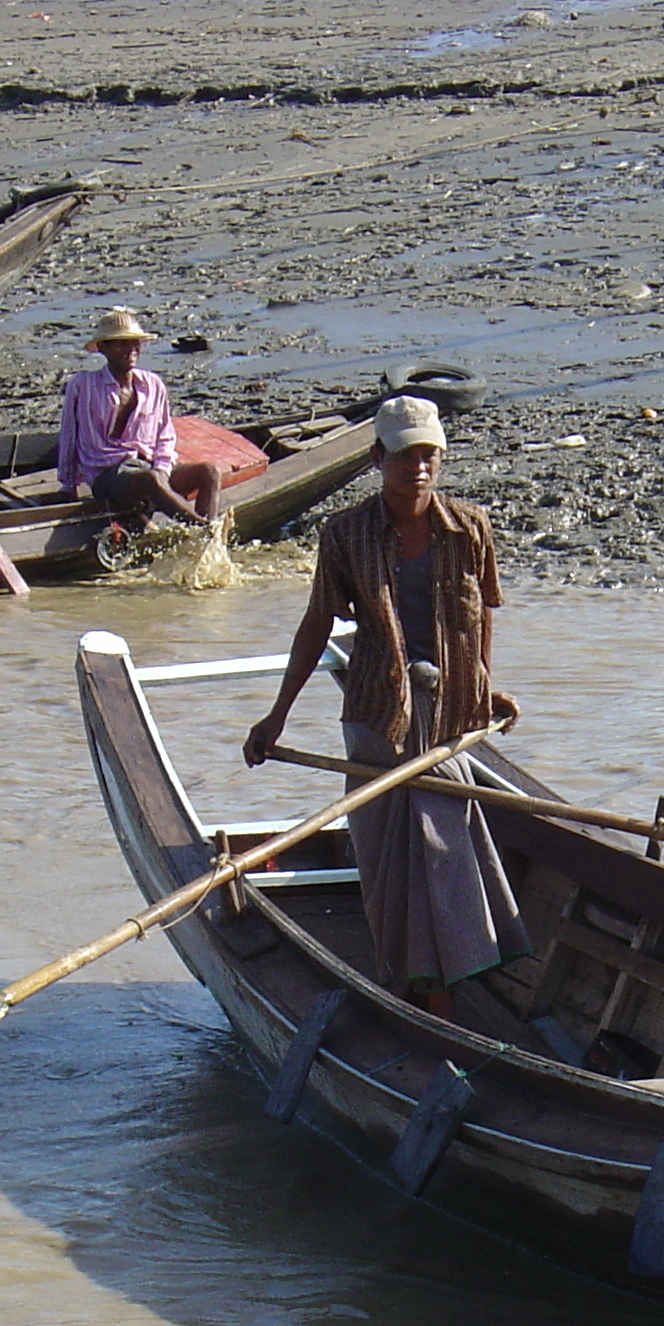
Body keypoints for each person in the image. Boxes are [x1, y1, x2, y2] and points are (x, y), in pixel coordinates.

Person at [242, 394, 527, 1016]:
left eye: (429, 455)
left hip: (449, 715)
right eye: (405, 455)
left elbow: (482, 616)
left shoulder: (470, 527)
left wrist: (484, 686)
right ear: (378, 458)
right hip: (377, 712)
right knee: (387, 860)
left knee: (444, 845)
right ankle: (403, 984)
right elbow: (318, 623)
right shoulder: (345, 534)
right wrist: (277, 715)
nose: (418, 468)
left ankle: (440, 994)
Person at [55, 309, 221, 525]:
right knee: (148, 479)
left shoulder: (152, 384)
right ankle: (200, 528)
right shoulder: (82, 385)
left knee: (209, 472)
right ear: (103, 348)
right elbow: (69, 437)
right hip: (109, 474)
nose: (131, 349)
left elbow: (165, 435)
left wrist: (162, 469)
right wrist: (68, 486)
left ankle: (205, 536)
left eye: (135, 343)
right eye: (121, 343)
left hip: (149, 465)